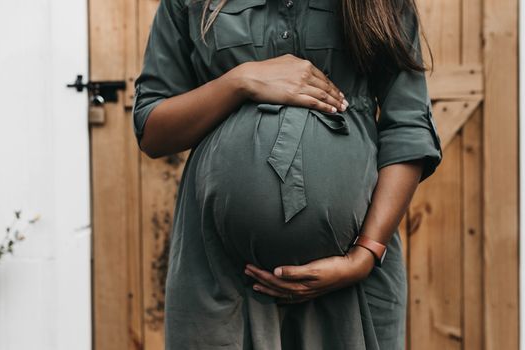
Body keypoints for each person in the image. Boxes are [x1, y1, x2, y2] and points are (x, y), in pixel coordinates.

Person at [132, 0, 442, 349]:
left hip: (352, 281)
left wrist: (366, 254)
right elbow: (153, 131)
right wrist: (239, 81)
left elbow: (408, 127)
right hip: (220, 280)